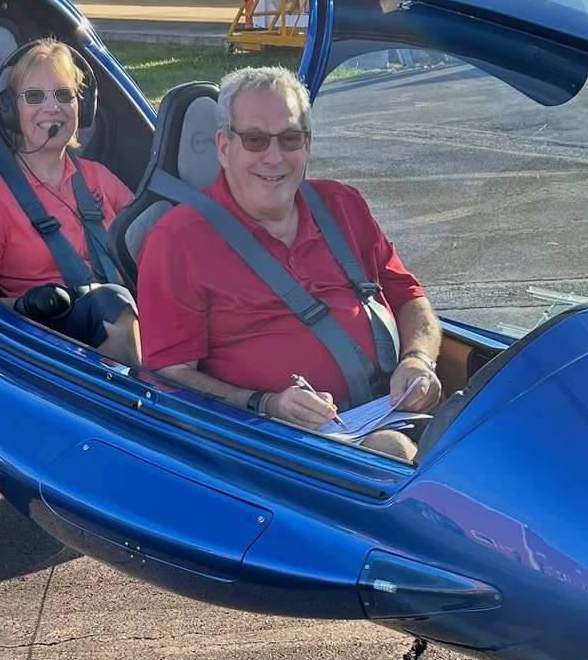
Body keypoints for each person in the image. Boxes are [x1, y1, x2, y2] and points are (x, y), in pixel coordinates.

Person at [135, 66, 445, 460]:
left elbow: (409, 296)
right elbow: (169, 377)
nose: (274, 157)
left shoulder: (343, 205)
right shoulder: (177, 240)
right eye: (255, 139)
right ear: (224, 147)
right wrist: (265, 405)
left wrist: (419, 360)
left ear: (308, 145)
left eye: (290, 138)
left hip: (397, 410)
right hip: (279, 449)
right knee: (394, 453)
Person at [0, 38, 140, 367]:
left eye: (63, 95)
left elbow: (150, 243)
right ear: (13, 111)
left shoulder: (99, 177)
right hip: (47, 340)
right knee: (112, 303)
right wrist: (29, 305)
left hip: (126, 311)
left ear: (81, 107)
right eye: (34, 96)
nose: (51, 107)